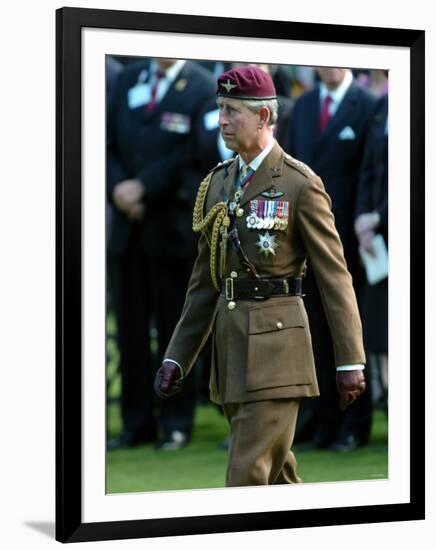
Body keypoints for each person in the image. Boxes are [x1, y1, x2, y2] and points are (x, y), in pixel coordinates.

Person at [153, 65, 366, 486]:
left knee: (246, 477)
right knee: (276, 480)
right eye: (220, 109)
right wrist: (177, 355)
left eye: (233, 110)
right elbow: (205, 283)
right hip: (231, 357)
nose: (222, 121)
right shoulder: (218, 182)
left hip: (278, 356)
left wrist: (350, 360)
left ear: (264, 117)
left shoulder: (299, 184)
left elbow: (334, 276)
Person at [107, 57, 216, 450]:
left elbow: (196, 154)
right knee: (131, 332)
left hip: (170, 229)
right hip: (127, 228)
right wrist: (119, 188)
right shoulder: (128, 78)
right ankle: (136, 424)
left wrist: (144, 187)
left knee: (175, 331)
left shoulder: (203, 85)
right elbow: (104, 141)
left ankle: (176, 421)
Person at [288, 67, 377, 451]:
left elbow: (369, 173)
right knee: (314, 335)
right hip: (305, 241)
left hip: (347, 243)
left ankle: (354, 425)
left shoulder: (368, 105)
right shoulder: (304, 105)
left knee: (350, 332)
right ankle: (324, 423)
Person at [355, 93, 389, 411]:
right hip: (378, 244)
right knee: (380, 335)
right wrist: (362, 219)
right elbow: (368, 168)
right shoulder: (383, 106)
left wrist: (379, 215)